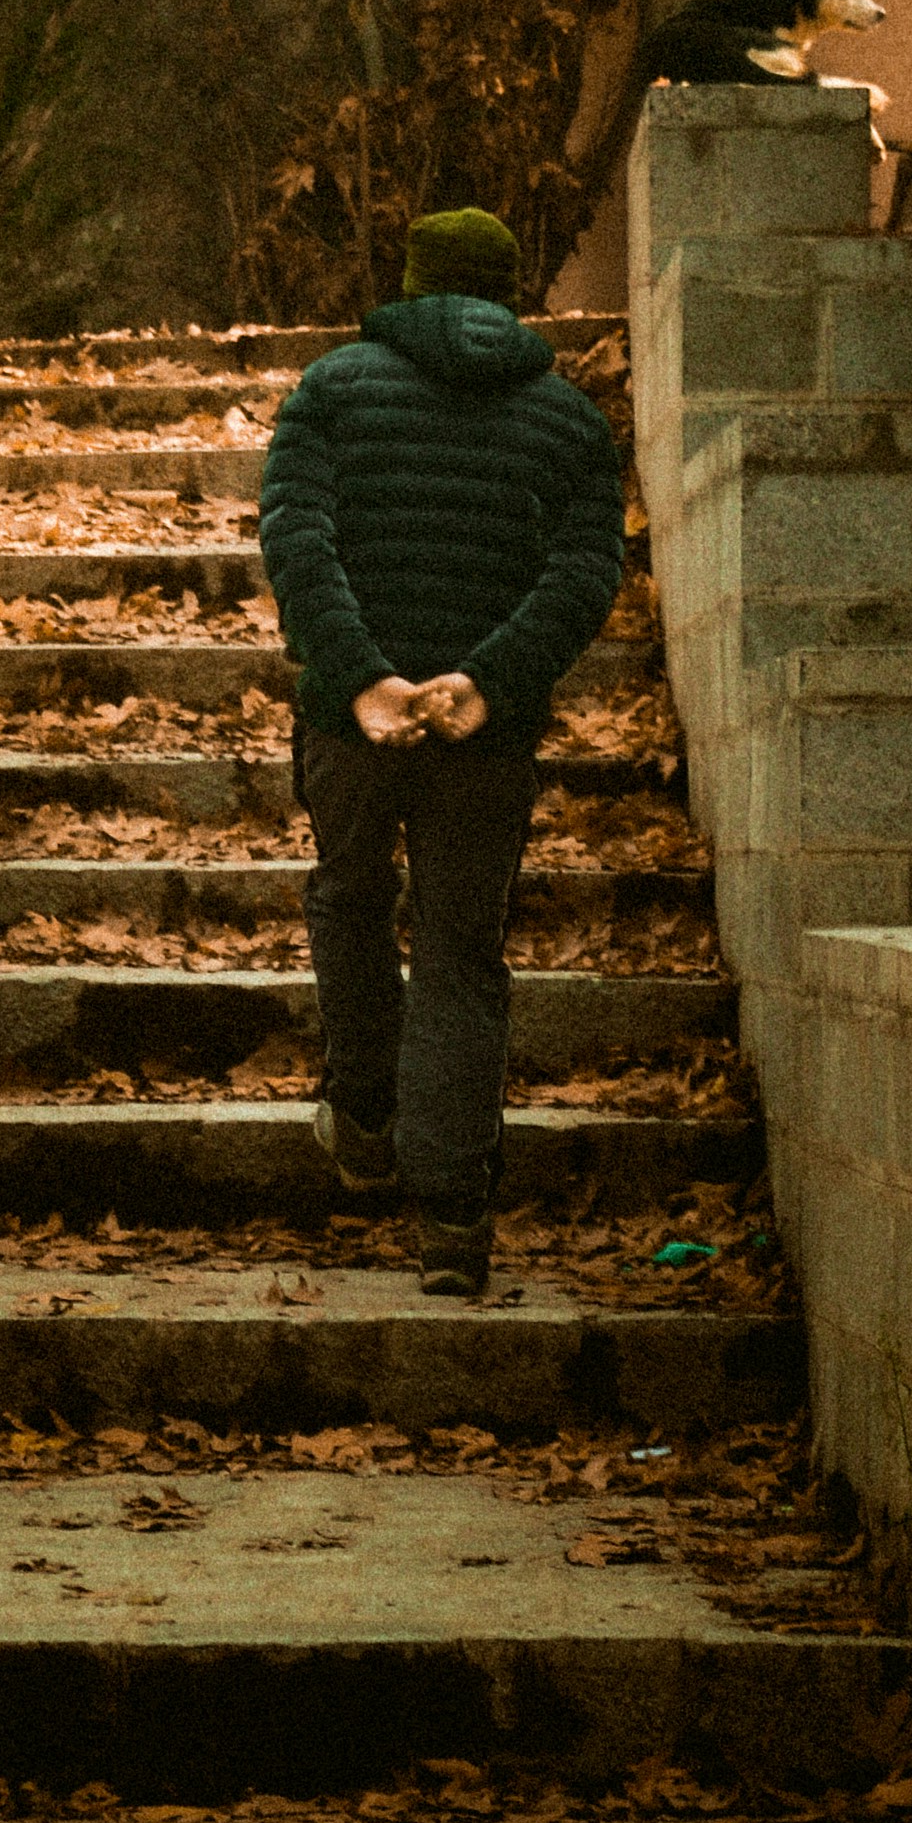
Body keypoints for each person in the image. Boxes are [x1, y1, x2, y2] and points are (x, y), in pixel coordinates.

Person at [255, 207, 630, 1299]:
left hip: (348, 723)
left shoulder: (330, 389)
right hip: (485, 735)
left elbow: (296, 536)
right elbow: (583, 572)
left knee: (348, 898)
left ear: (410, 279)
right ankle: (455, 1223)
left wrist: (361, 676)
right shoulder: (569, 420)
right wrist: (487, 680)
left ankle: (365, 1116)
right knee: (463, 950)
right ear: (511, 292)